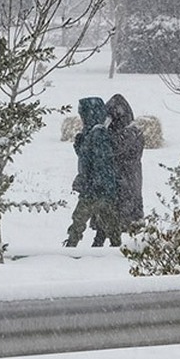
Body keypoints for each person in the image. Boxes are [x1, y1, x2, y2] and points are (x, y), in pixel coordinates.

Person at [65, 97, 121, 247]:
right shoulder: (92, 133)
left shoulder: (98, 134)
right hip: (98, 187)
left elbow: (101, 162)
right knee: (109, 221)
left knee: (79, 220)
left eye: (82, 113)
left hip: (96, 188)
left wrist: (95, 184)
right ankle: (116, 249)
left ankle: (70, 249)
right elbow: (89, 158)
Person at [106, 93, 145, 232]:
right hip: (126, 179)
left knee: (126, 215)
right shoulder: (131, 131)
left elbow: (115, 148)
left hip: (127, 179)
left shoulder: (130, 133)